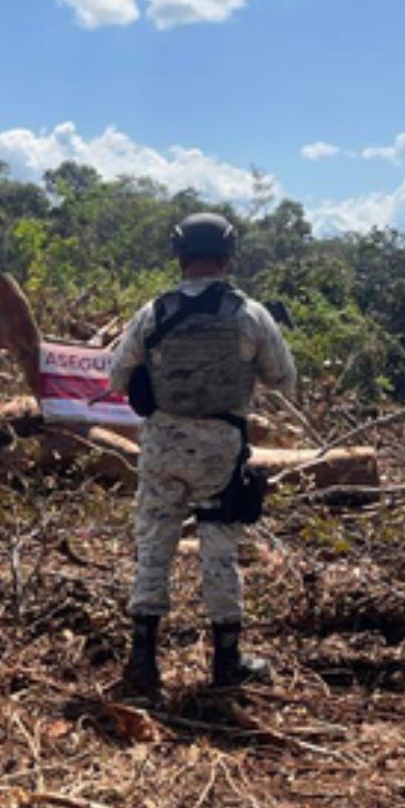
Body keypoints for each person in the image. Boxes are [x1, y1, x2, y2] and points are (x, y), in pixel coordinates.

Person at [109, 212, 297, 700]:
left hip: (162, 444)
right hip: (220, 448)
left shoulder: (154, 312)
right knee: (220, 550)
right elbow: (283, 378)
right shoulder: (249, 314)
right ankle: (226, 662)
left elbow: (115, 377)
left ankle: (143, 659)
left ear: (179, 255)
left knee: (154, 544)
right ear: (228, 256)